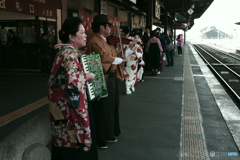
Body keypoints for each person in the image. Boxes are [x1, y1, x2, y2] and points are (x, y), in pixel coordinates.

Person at [47, 17, 98, 160]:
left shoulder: (61, 53)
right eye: (82, 32)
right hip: (70, 117)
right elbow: (74, 83)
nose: (86, 35)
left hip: (60, 114)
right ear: (71, 37)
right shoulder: (70, 55)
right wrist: (87, 76)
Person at [87, 14, 127, 149]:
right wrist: (121, 60)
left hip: (111, 78)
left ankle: (110, 133)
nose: (110, 29)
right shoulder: (94, 41)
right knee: (102, 109)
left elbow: (115, 55)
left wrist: (125, 52)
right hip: (102, 79)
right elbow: (104, 58)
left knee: (112, 107)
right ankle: (100, 138)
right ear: (101, 27)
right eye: (108, 26)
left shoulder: (106, 41)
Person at [121, 28, 143, 94]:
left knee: (131, 73)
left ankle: (131, 85)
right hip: (130, 58)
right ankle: (128, 87)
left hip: (130, 58)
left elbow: (139, 46)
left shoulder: (129, 39)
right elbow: (139, 48)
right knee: (129, 73)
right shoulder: (122, 39)